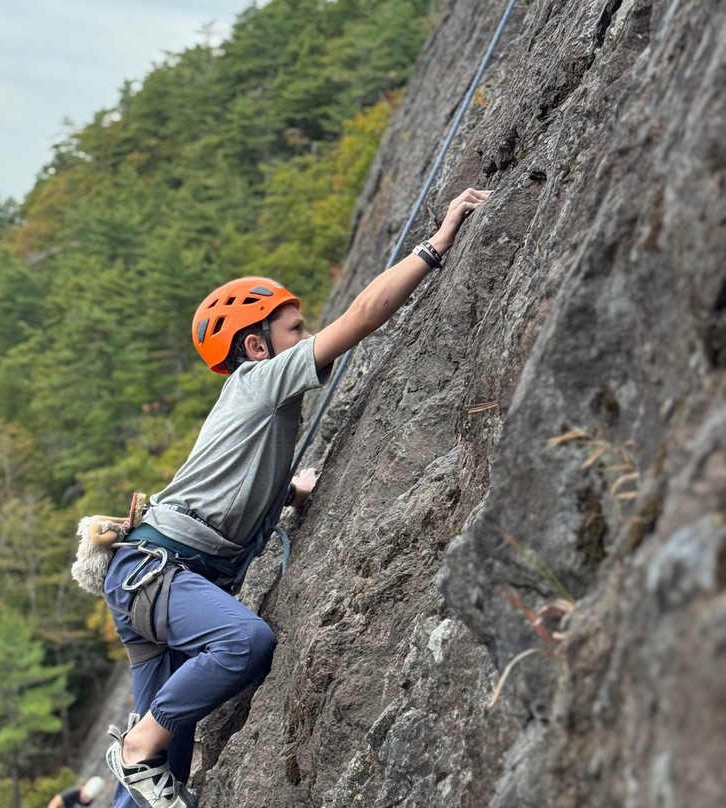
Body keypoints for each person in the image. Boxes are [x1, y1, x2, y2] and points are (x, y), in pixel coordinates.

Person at [103, 189, 492, 808]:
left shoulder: (252, 403)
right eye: (295, 327)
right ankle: (134, 744)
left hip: (158, 579)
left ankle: (140, 753)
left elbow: (223, 480)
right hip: (164, 576)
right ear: (257, 346)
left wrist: (286, 489)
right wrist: (436, 245)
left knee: (160, 785)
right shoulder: (259, 381)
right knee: (242, 645)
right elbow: (362, 317)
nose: (306, 333)